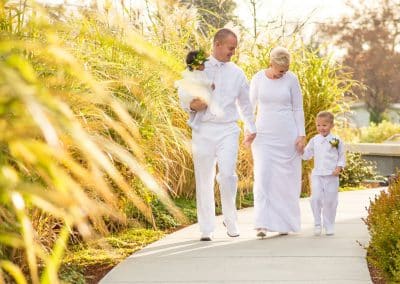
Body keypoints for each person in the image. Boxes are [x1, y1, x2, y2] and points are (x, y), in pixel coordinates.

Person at [177, 28, 256, 241]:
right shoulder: (199, 66)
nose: (233, 52)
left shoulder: (237, 73)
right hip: (203, 130)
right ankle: (206, 228)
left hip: (228, 129)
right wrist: (194, 104)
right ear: (218, 44)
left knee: (228, 175)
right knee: (204, 178)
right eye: (231, 48)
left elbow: (245, 104)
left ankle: (231, 220)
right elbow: (185, 96)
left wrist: (251, 127)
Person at [249, 46, 306, 238]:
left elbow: (298, 108)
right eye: (281, 69)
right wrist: (248, 130)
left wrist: (301, 135)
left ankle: (284, 222)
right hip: (263, 135)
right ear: (271, 63)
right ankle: (262, 223)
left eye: (287, 69)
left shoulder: (292, 79)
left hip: (287, 135)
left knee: (286, 180)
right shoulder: (258, 78)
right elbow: (249, 106)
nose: (284, 72)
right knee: (263, 175)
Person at [302, 111, 346, 236]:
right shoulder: (314, 140)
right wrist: (301, 150)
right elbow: (307, 155)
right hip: (317, 175)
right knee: (315, 198)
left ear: (331, 125)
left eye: (324, 125)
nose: (321, 128)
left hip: (332, 175)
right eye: (318, 125)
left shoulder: (336, 140)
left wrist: (339, 167)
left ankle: (329, 224)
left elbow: (342, 156)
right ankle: (317, 223)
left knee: (330, 201)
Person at [175, 50, 222, 130]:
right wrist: (210, 83)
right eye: (202, 64)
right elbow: (201, 81)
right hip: (192, 93)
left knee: (202, 106)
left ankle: (193, 121)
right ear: (196, 65)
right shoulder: (196, 73)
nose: (204, 66)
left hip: (193, 94)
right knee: (204, 101)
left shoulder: (194, 72)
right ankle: (195, 122)